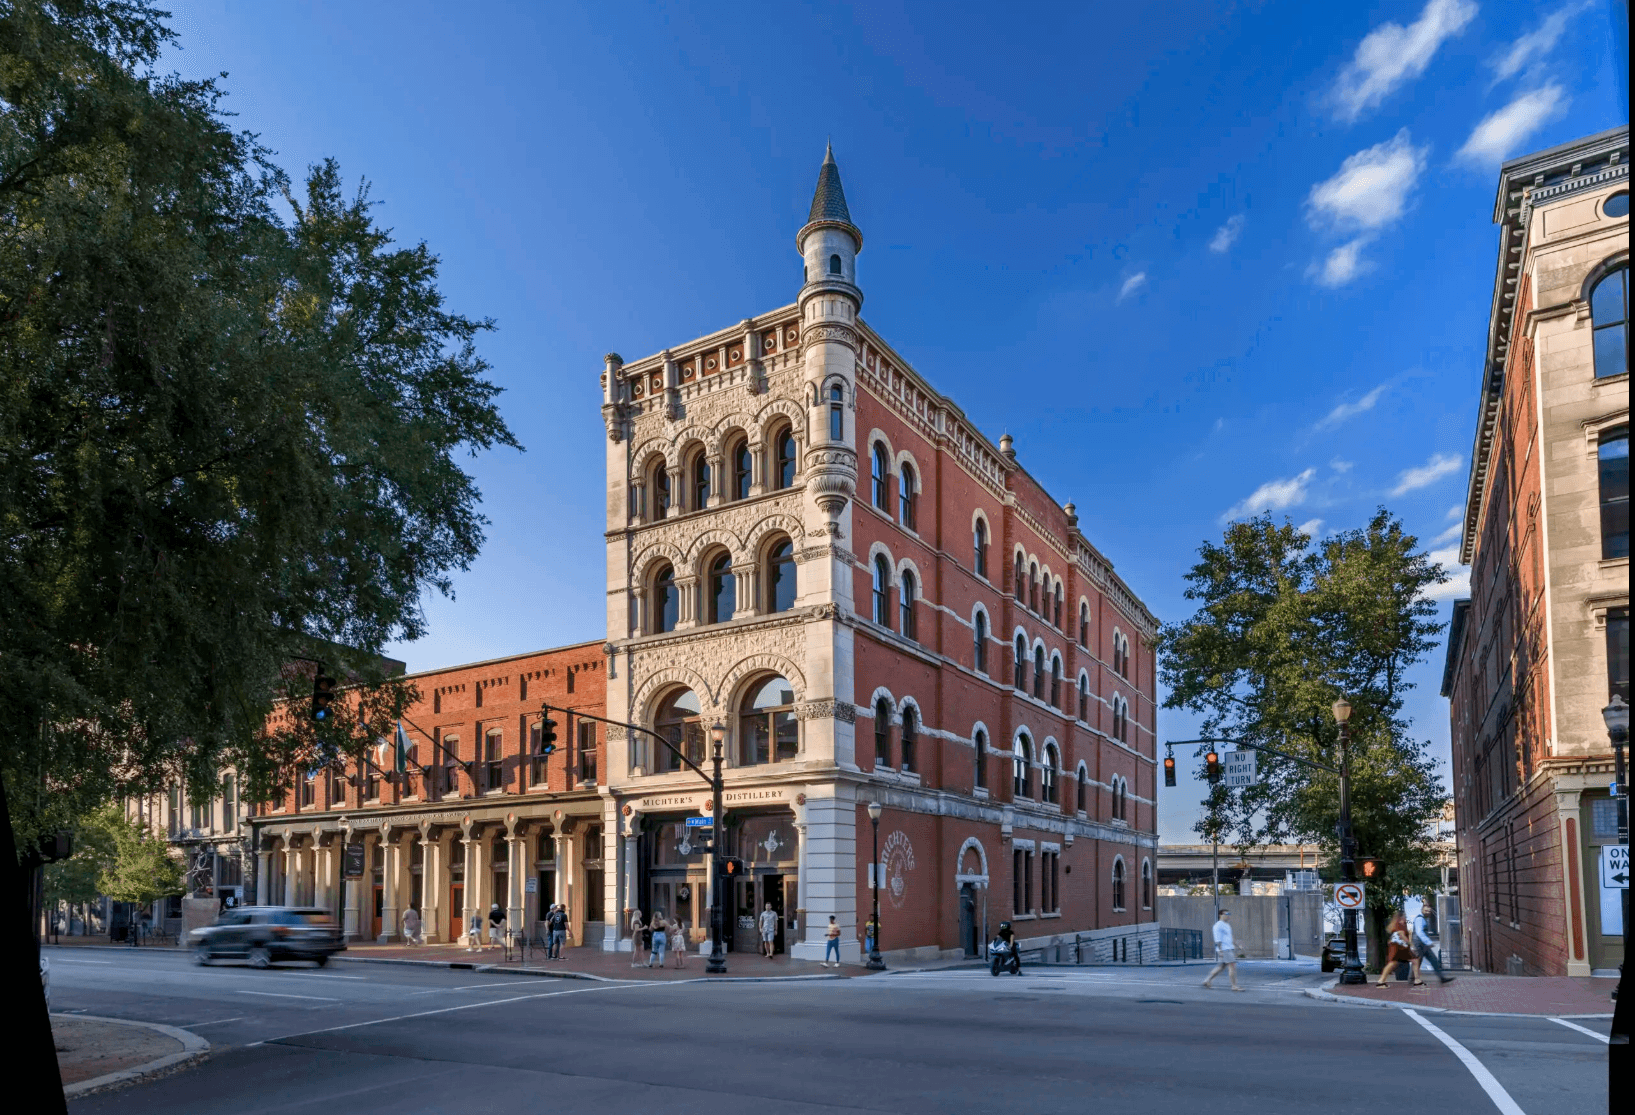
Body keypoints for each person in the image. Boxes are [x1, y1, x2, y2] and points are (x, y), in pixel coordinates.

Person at [1410, 901, 1454, 985]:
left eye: (1429, 911)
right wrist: (1428, 942)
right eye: (1426, 911)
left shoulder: (1424, 919)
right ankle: (1411, 979)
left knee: (1433, 960)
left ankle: (1442, 978)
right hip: (1419, 945)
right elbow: (1419, 932)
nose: (1428, 912)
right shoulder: (1419, 919)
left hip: (1423, 945)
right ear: (1422, 910)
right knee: (1417, 963)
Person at [1202, 909, 1243, 991]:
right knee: (1232, 966)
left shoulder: (1227, 925)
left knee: (1221, 967)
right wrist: (1220, 951)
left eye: (1229, 914)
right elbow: (1217, 940)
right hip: (1225, 949)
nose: (1228, 915)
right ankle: (1234, 986)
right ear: (1220, 915)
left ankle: (1207, 980)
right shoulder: (1218, 925)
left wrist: (1237, 945)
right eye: (1226, 914)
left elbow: (1231, 937)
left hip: (1229, 948)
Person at [1378, 911, 1415, 987]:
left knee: (1394, 963)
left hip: (1399, 946)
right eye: (1404, 916)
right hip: (1396, 947)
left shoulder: (1401, 924)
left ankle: (1382, 980)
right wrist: (1410, 943)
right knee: (1392, 963)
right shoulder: (1399, 924)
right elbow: (1402, 936)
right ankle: (1381, 981)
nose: (1406, 917)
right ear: (1400, 917)